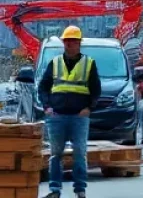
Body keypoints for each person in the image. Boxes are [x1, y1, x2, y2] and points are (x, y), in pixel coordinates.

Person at [38, 25, 100, 198]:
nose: (69, 45)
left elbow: (96, 90)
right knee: (55, 154)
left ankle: (80, 190)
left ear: (79, 43)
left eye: (73, 41)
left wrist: (89, 108)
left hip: (79, 117)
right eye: (66, 41)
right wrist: (47, 107)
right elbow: (43, 87)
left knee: (80, 153)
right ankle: (55, 190)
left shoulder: (89, 63)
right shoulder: (55, 63)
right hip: (56, 116)